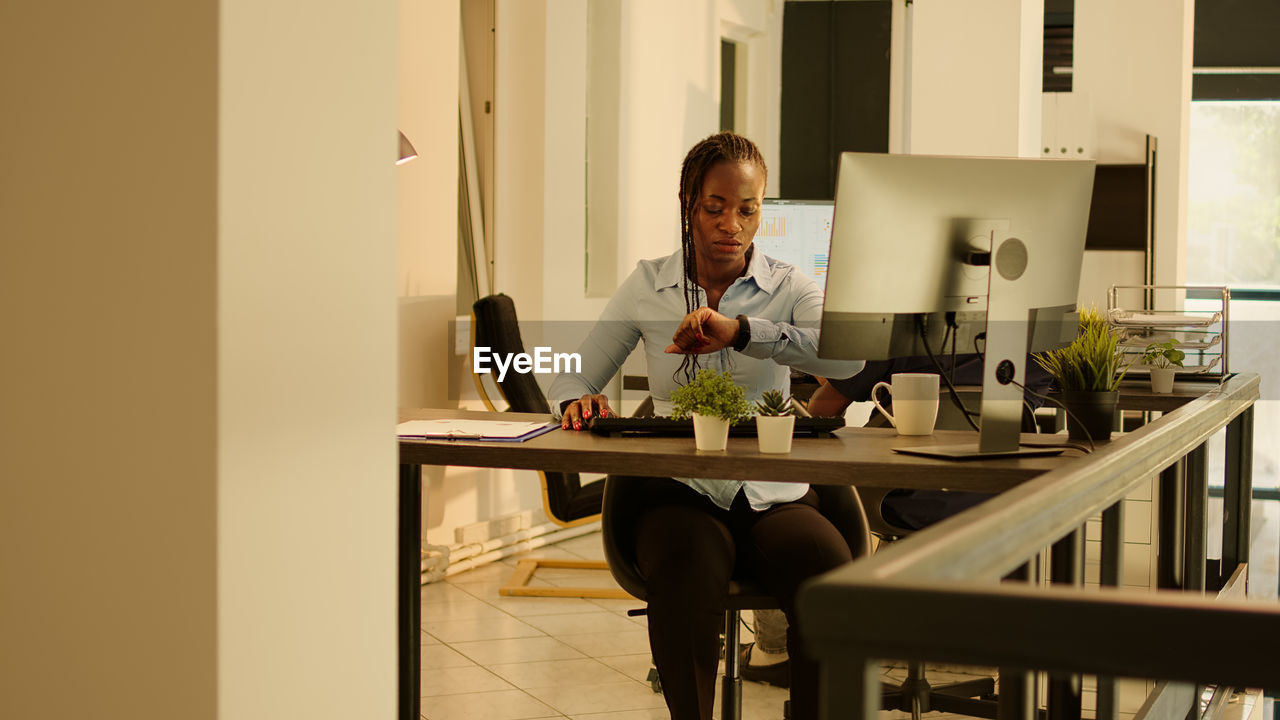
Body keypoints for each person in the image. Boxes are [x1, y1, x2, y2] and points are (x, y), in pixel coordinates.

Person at [549, 131, 863, 720]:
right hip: (680, 491)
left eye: (747, 210)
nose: (731, 226)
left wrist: (744, 331)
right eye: (714, 208)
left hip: (773, 489)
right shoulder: (649, 285)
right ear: (688, 205)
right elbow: (573, 374)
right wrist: (577, 399)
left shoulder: (789, 286)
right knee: (685, 571)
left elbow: (846, 360)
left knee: (828, 574)